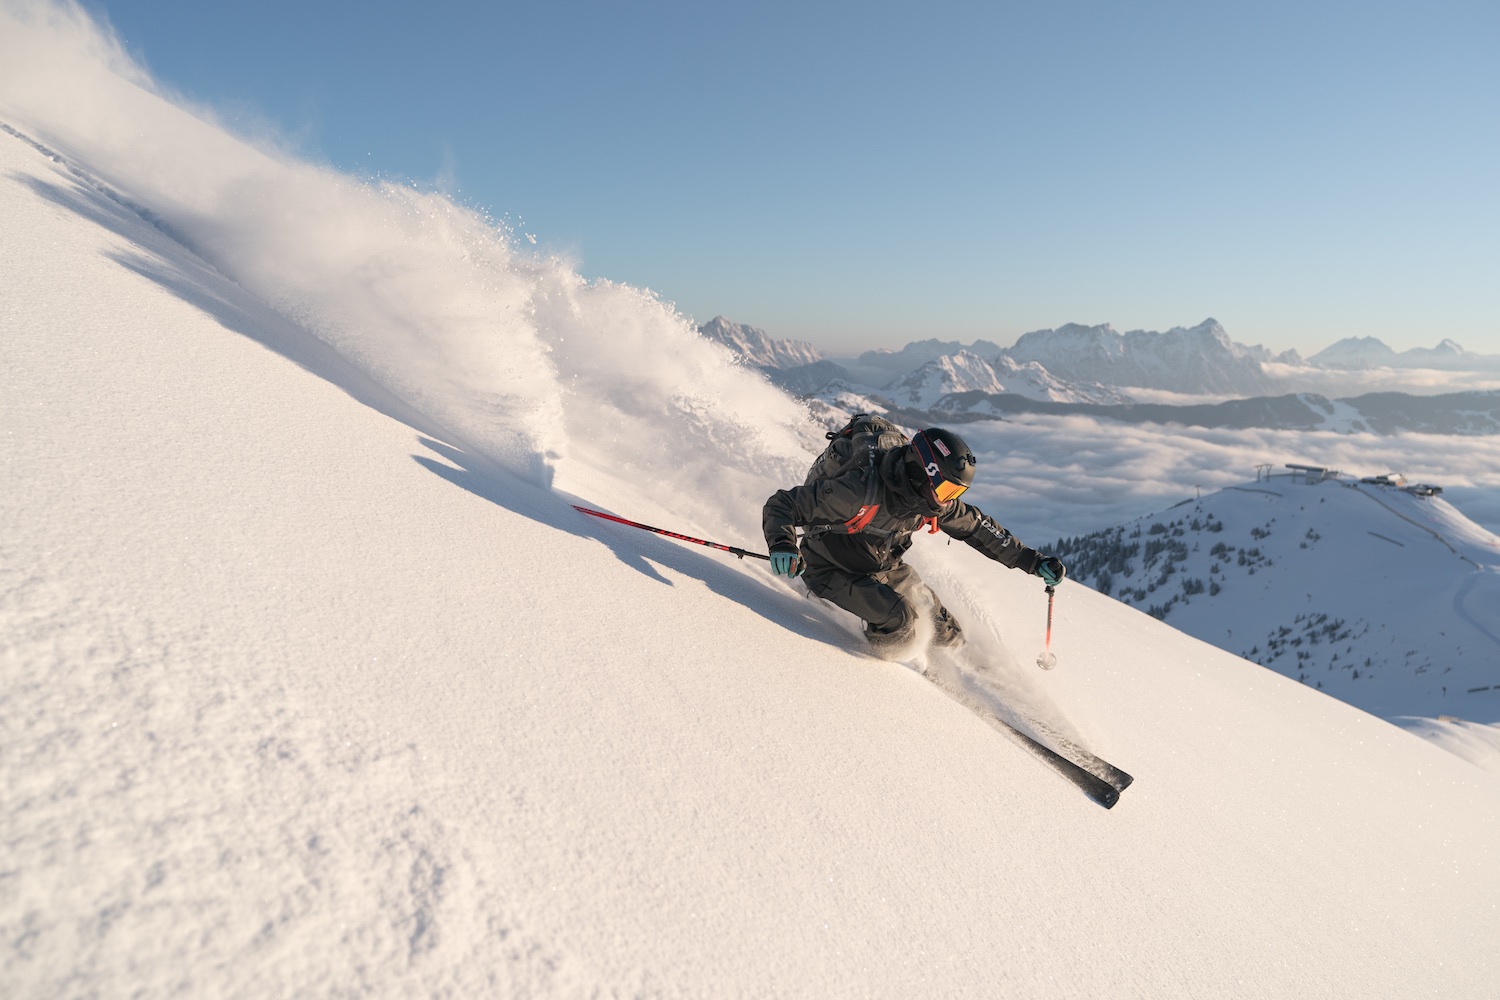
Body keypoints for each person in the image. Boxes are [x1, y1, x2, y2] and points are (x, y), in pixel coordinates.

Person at [762, 426, 1065, 652]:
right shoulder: (858, 492)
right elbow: (783, 505)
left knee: (942, 626)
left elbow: (979, 528)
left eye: (956, 494)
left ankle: (962, 669)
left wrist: (1032, 561)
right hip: (828, 565)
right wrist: (783, 545)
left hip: (881, 564)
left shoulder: (927, 500)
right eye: (946, 491)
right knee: (902, 621)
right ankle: (894, 674)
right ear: (922, 473)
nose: (947, 502)